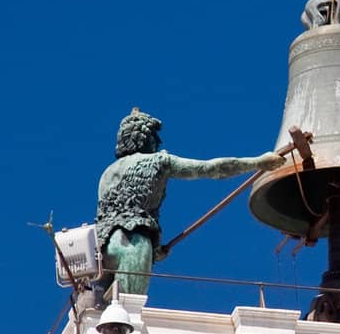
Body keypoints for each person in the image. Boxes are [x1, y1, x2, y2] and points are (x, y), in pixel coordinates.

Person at [97, 109, 283, 297]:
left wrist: (154, 249)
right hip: (134, 245)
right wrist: (258, 163)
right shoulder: (159, 161)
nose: (159, 142)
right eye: (155, 136)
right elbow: (213, 168)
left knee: (99, 315)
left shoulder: (106, 174)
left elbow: (117, 216)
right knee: (129, 312)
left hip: (100, 247)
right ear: (144, 137)